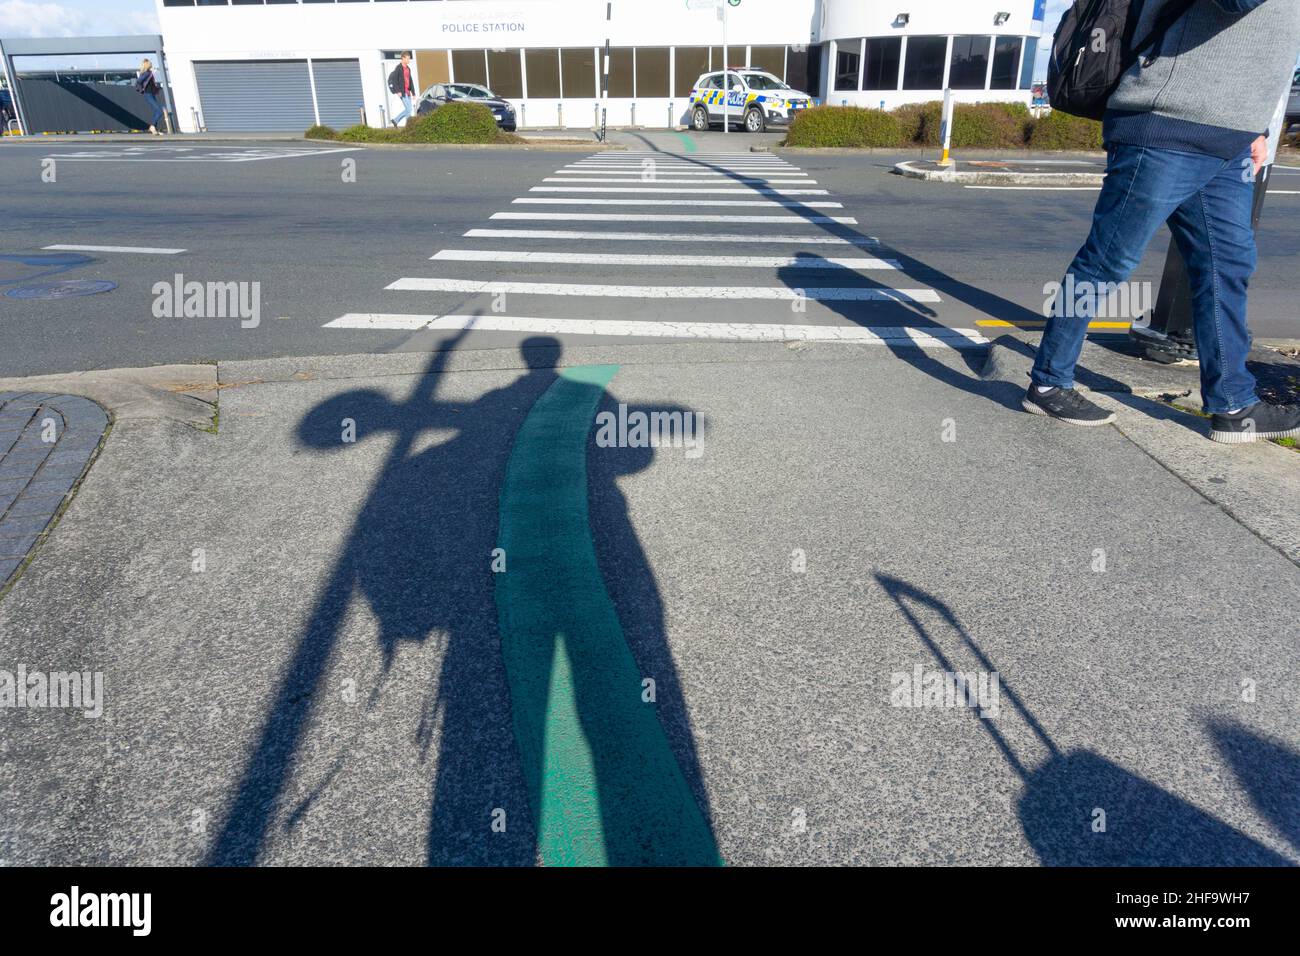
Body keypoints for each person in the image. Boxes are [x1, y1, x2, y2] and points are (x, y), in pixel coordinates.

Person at [1026, 0, 1300, 443]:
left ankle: (1232, 403)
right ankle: (1049, 381)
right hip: (1167, 123)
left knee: (1227, 267)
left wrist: (1254, 125)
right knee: (1107, 261)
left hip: (1228, 137)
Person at [134, 59, 165, 135]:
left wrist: (157, 88)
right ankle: (152, 126)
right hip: (148, 94)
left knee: (155, 111)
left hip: (151, 94)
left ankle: (154, 129)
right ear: (148, 65)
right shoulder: (147, 73)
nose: (152, 66)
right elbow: (138, 81)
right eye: (151, 64)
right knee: (159, 111)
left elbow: (150, 84)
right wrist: (142, 90)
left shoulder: (149, 73)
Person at [388, 52, 416, 128]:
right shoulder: (398, 68)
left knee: (408, 110)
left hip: (408, 92)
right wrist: (398, 91)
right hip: (402, 92)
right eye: (407, 58)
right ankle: (397, 120)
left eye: (409, 58)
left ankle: (406, 125)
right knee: (409, 109)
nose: (408, 60)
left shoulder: (408, 69)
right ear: (403, 58)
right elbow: (395, 80)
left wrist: (413, 93)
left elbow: (410, 81)